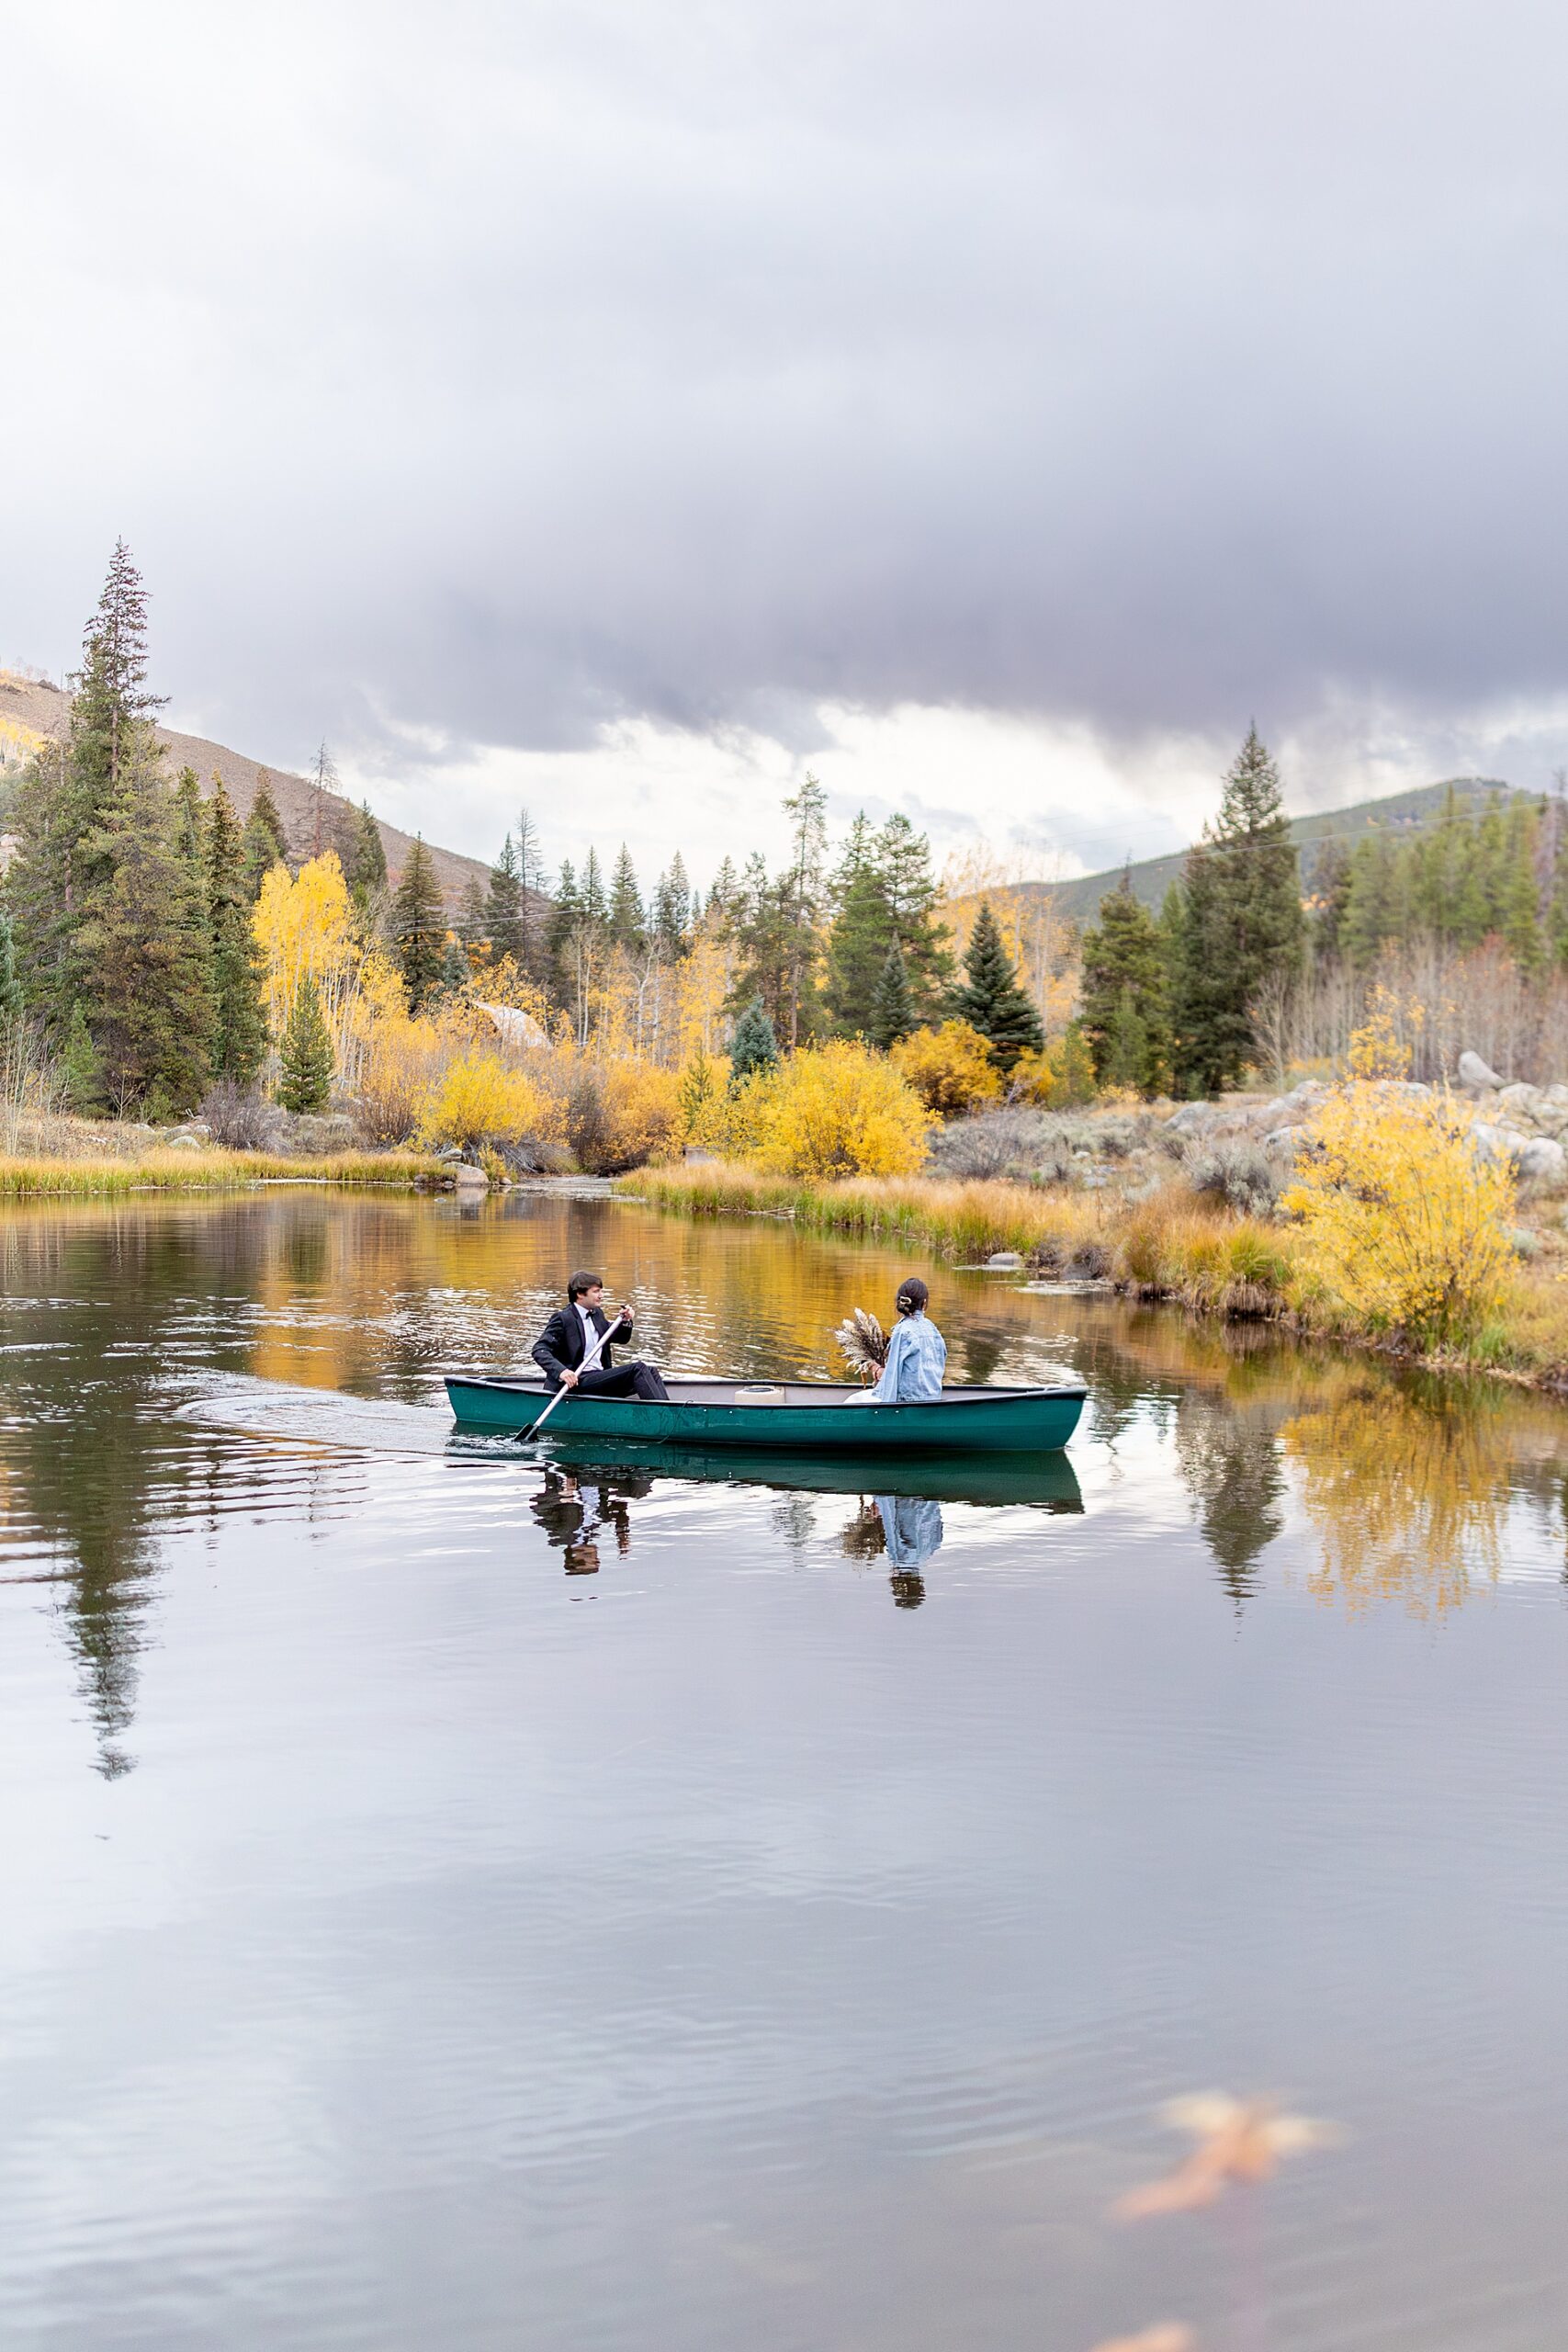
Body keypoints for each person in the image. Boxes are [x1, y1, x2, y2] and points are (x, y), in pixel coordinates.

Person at [532, 1271, 670, 1402]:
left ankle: (670, 1413)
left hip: (597, 1378)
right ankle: (662, 1415)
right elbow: (540, 1350)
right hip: (575, 1382)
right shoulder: (562, 1319)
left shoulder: (597, 1314)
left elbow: (620, 1338)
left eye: (601, 1291)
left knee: (650, 1370)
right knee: (638, 1368)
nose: (601, 1295)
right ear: (580, 1294)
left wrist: (625, 1321)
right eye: (596, 1291)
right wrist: (562, 1371)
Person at [846, 1276, 946, 1404]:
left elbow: (891, 1379)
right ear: (924, 1303)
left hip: (907, 1401)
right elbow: (939, 1366)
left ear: (899, 1303)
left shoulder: (902, 1331)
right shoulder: (933, 1329)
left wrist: (876, 1369)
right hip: (933, 1399)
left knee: (854, 1399)